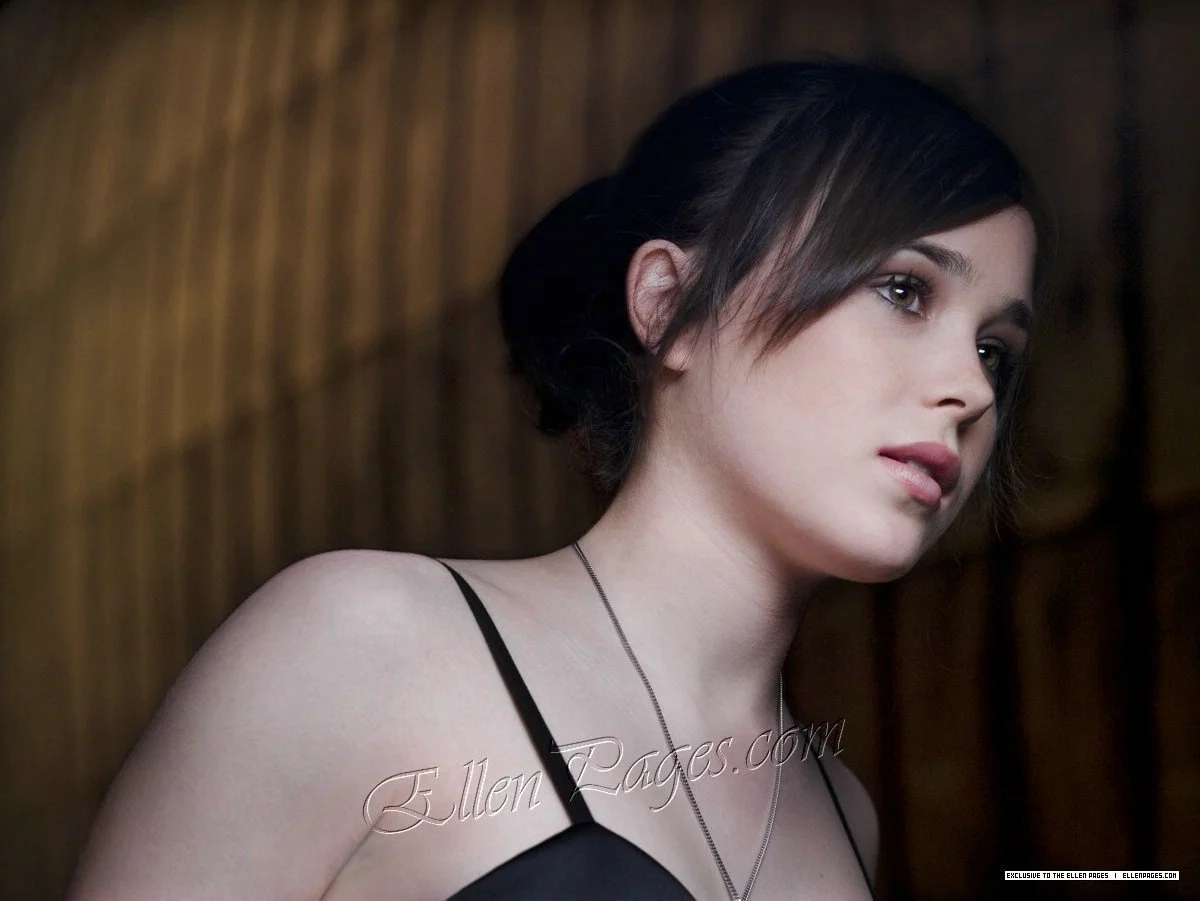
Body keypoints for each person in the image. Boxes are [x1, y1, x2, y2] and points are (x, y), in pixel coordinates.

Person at [67, 58, 1052, 901]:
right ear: (669, 305)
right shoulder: (366, 645)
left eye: (995, 350)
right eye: (903, 289)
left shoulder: (841, 816)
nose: (971, 390)